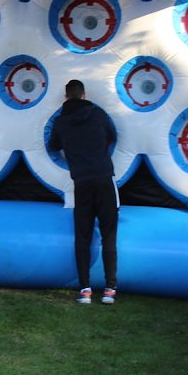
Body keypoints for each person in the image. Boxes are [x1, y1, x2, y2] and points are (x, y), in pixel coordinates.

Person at [47, 79, 118, 305]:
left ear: (66, 97)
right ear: (84, 95)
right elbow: (112, 136)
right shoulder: (98, 114)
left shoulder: (60, 122)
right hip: (105, 179)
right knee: (109, 235)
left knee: (83, 236)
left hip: (82, 182)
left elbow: (52, 146)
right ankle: (109, 290)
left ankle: (85, 290)